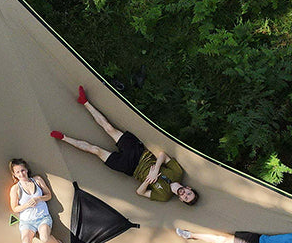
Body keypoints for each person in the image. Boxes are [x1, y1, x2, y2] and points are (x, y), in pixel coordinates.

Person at [50, 86, 198, 204]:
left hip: (129, 168)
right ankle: (85, 102)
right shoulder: (178, 173)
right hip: (139, 154)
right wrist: (156, 169)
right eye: (188, 193)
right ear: (188, 188)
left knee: (95, 150)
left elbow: (140, 192)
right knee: (109, 128)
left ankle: (63, 138)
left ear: (180, 199)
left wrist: (147, 181)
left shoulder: (164, 196)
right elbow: (163, 155)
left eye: (185, 198)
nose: (185, 194)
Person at [8, 158, 68, 243]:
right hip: (27, 222)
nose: (21, 174)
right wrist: (26, 205)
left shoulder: (37, 180)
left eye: (23, 170)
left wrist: (38, 199)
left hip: (42, 217)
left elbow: (48, 195)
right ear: (15, 175)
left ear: (27, 170)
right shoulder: (15, 188)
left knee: (45, 238)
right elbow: (14, 208)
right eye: (18, 172)